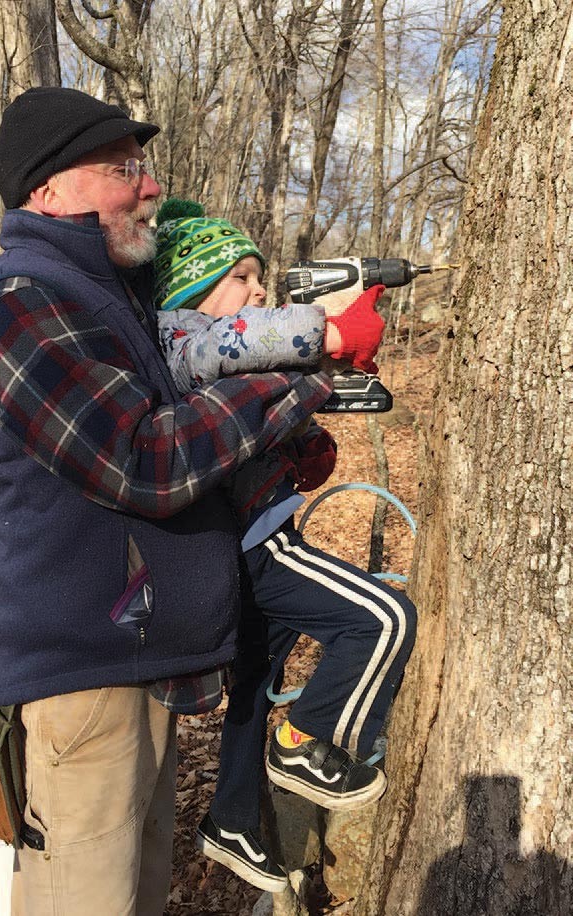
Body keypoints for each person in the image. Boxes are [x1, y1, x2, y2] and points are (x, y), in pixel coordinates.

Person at [0, 88, 340, 916]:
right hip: (84, 689)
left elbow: (194, 428)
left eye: (144, 165)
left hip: (139, 677)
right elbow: (145, 458)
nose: (151, 186)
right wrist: (294, 383)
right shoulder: (17, 300)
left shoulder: (110, 299)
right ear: (48, 189)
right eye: (123, 168)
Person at [154, 199, 418, 893]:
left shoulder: (209, 346)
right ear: (191, 288)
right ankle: (306, 742)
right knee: (383, 621)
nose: (261, 289)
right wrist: (327, 329)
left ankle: (233, 819)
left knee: (253, 686)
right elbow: (237, 341)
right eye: (244, 276)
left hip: (242, 542)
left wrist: (302, 443)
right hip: (257, 547)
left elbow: (252, 402)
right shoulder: (182, 335)